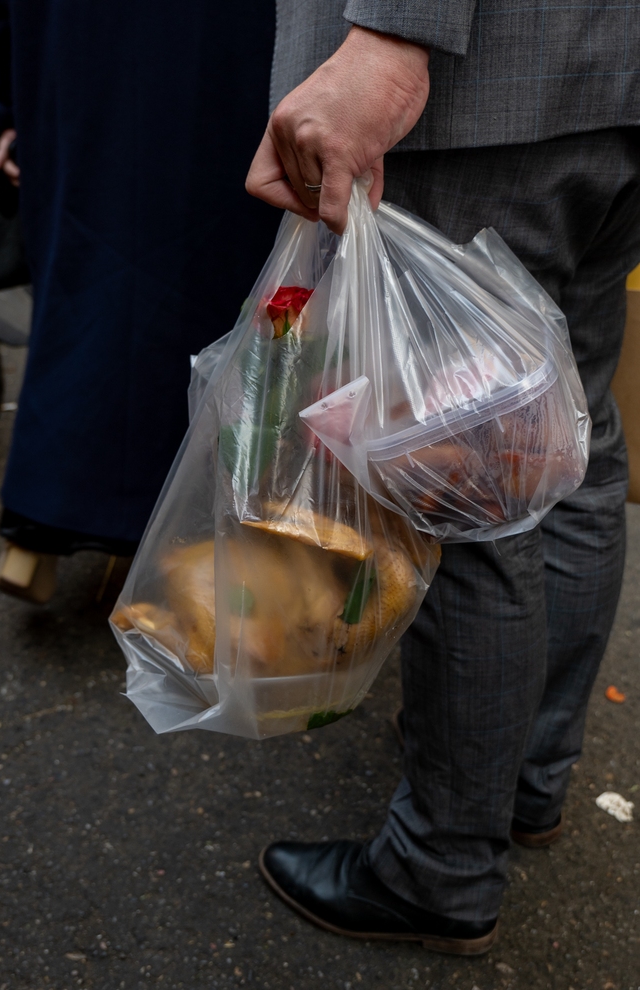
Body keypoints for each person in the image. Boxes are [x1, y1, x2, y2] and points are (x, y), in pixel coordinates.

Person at [246, 3, 640, 955]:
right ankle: (526, 777)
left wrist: (391, 34)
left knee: (465, 489)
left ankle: (442, 865)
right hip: (615, 75)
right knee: (566, 439)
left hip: (485, 89)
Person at [0, 0, 281, 602]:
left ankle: (47, 521)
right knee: (229, 285)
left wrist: (2, 98)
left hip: (82, 53)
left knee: (89, 284)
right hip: (234, 57)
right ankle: (228, 535)